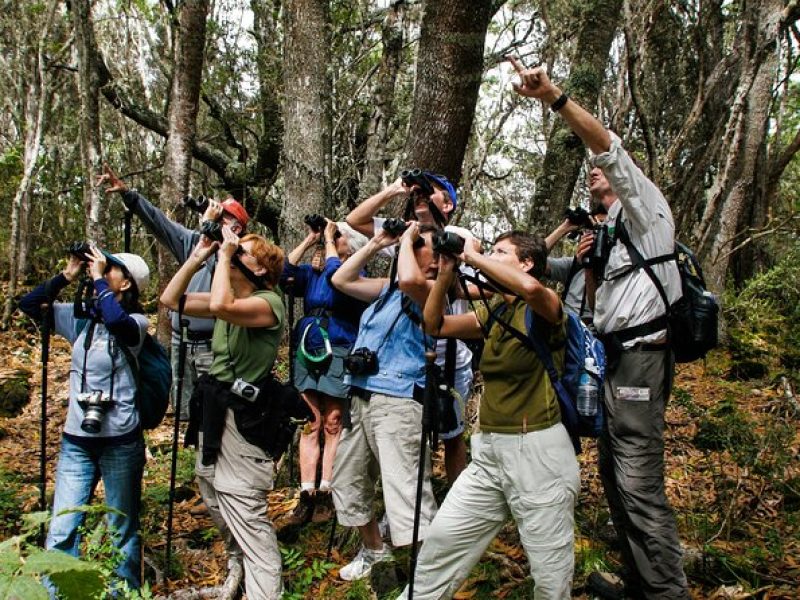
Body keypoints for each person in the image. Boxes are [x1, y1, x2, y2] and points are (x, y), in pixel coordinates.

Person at [510, 58, 689, 599]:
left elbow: (606, 146)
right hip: (612, 358)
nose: (593, 171)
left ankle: (666, 593)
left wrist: (554, 98)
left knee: (638, 479)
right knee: (614, 473)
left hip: (640, 357)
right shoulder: (608, 231)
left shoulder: (645, 208)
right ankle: (641, 582)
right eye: (589, 171)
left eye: (600, 169)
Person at [397, 230, 580, 599]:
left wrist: (473, 256)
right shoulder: (495, 311)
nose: (492, 256)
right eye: (491, 251)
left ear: (527, 263)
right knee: (444, 540)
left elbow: (531, 291)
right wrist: (447, 272)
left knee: (549, 567)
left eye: (501, 252)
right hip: (489, 452)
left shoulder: (545, 306)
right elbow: (434, 326)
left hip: (538, 452)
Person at [97, 164, 244, 595]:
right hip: (182, 344)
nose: (221, 223)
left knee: (211, 420)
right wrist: (129, 196)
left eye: (228, 219)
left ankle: (214, 472)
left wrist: (223, 239)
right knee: (186, 417)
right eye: (221, 218)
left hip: (213, 349)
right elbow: (160, 223)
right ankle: (201, 468)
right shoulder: (196, 244)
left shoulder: (236, 256)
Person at [160, 226, 286, 599]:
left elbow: (220, 308)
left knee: (246, 509)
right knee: (210, 485)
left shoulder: (269, 303)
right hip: (215, 410)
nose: (230, 252)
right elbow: (170, 300)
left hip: (247, 421)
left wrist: (226, 254)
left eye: (242, 252)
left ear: (260, 269)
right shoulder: (228, 294)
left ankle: (265, 592)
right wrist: (200, 254)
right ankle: (239, 571)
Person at [20, 245, 151, 593]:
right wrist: (69, 274)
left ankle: (122, 592)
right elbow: (29, 306)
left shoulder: (137, 323)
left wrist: (98, 278)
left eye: (111, 269)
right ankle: (58, 591)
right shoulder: (81, 319)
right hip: (76, 440)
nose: (102, 271)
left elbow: (119, 323)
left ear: (127, 285)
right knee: (63, 527)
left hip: (121, 441)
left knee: (121, 528)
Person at [329, 222, 440, 581]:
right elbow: (341, 280)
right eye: (427, 248)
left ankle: (425, 573)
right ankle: (375, 551)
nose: (434, 257)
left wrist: (407, 241)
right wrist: (379, 242)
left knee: (404, 488)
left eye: (435, 251)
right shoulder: (387, 290)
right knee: (347, 479)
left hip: (399, 400)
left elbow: (410, 281)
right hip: (360, 396)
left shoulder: (434, 289)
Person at [346, 174, 470, 484]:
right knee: (412, 434)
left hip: (448, 353)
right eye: (419, 191)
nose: (422, 195)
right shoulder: (409, 238)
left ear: (449, 203)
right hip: (406, 354)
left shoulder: (458, 233)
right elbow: (354, 220)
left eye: (433, 191)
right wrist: (393, 190)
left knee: (451, 433)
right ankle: (413, 493)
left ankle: (456, 501)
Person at [279, 218, 368, 525]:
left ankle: (327, 490)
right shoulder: (314, 271)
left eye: (340, 236)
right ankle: (306, 493)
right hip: (309, 345)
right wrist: (311, 238)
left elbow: (336, 277)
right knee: (310, 420)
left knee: (333, 421)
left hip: (340, 344)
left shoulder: (355, 271)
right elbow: (284, 273)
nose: (334, 239)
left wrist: (330, 242)